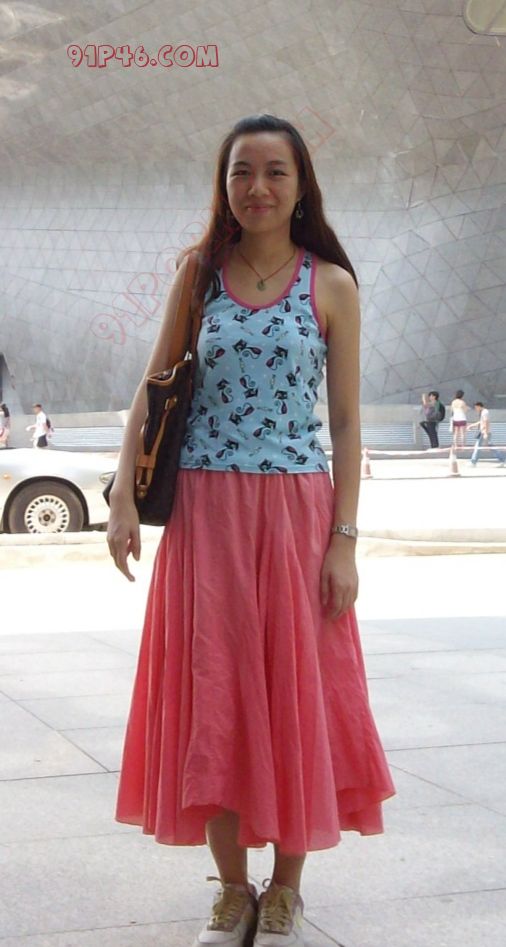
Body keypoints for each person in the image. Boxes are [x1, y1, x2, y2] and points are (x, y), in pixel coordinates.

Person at [107, 113, 395, 947]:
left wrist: (345, 538)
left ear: (301, 186)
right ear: (224, 184)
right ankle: (233, 889)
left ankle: (285, 892)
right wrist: (121, 494)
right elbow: (154, 385)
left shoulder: (330, 284)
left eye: (275, 171)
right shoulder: (198, 274)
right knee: (215, 691)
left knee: (297, 690)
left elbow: (346, 422)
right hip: (206, 517)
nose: (257, 187)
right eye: (242, 171)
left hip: (299, 516)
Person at [467, 402, 505, 466]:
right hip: (483, 432)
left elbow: (486, 422)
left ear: (479, 406)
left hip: (484, 432)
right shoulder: (483, 412)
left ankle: (473, 462)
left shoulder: (485, 412)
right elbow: (481, 422)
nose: (476, 409)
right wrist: (472, 425)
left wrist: (485, 433)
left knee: (479, 447)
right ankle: (502, 460)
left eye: (476, 407)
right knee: (488, 446)